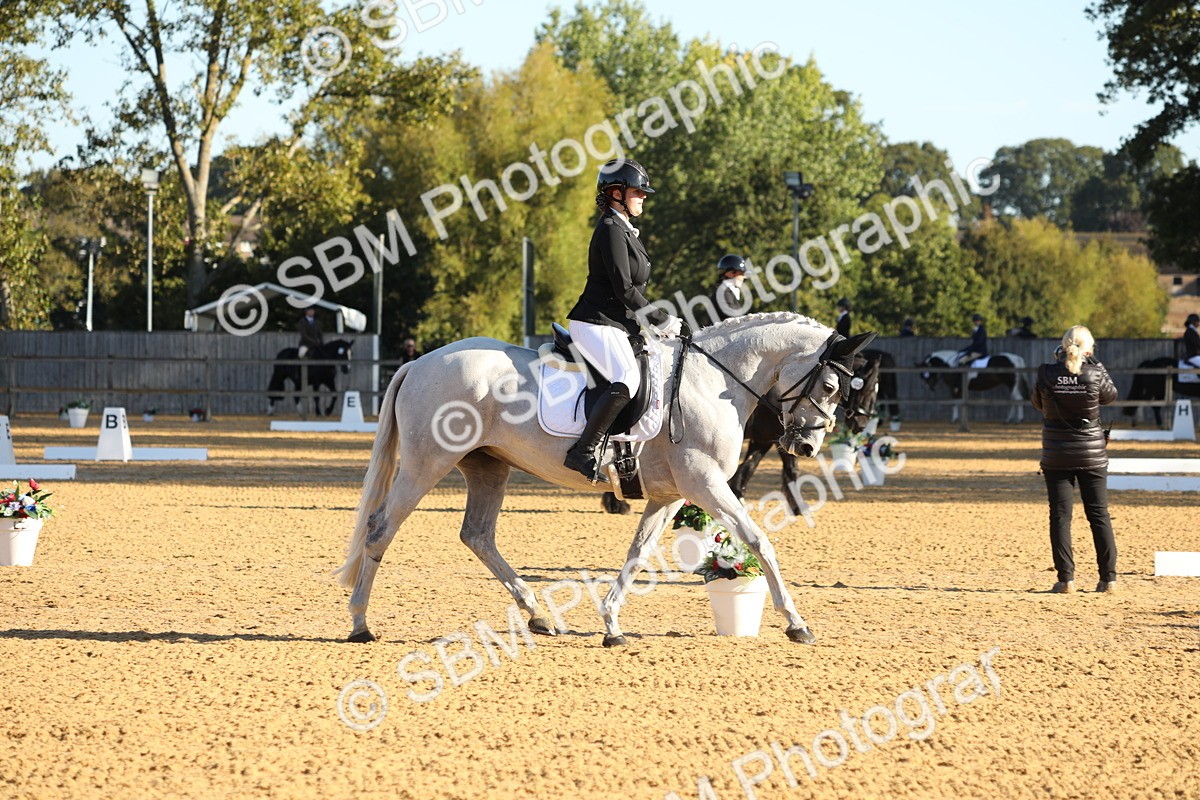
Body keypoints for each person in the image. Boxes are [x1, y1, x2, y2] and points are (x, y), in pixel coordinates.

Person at [563, 159, 680, 479]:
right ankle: (584, 450)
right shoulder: (611, 229)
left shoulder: (626, 230)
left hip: (616, 323)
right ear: (616, 193)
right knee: (626, 378)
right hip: (594, 322)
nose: (643, 197)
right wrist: (660, 319)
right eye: (638, 192)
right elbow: (624, 288)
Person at [1031, 325, 1119, 594]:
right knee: (1099, 515)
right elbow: (1110, 396)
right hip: (1091, 452)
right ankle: (1108, 579)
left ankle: (1065, 579)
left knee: (1060, 517)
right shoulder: (1094, 372)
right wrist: (1096, 364)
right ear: (1089, 349)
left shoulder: (1046, 372)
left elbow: (1037, 404)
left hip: (1057, 453)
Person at [710, 254, 749, 323]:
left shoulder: (728, 292)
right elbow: (736, 321)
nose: (744, 277)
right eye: (742, 274)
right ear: (731, 274)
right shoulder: (723, 294)